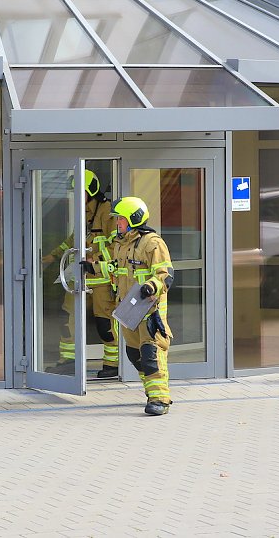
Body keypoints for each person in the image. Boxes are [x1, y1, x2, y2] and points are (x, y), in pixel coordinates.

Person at [42, 169, 120, 379]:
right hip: (82, 277)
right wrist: (53, 255)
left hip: (102, 279)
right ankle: (68, 361)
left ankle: (113, 364)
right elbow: (74, 239)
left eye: (81, 191)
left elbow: (116, 246)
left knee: (105, 324)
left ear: (91, 191)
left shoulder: (106, 212)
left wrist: (96, 259)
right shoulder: (84, 212)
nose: (78, 196)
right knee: (67, 319)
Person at [104, 196, 174, 416]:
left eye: (121, 219)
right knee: (135, 354)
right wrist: (92, 268)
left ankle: (160, 398)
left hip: (150, 310)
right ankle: (151, 389)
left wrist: (151, 286)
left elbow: (166, 274)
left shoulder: (152, 243)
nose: (118, 223)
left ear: (133, 219)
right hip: (129, 309)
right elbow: (116, 269)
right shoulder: (121, 244)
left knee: (151, 353)